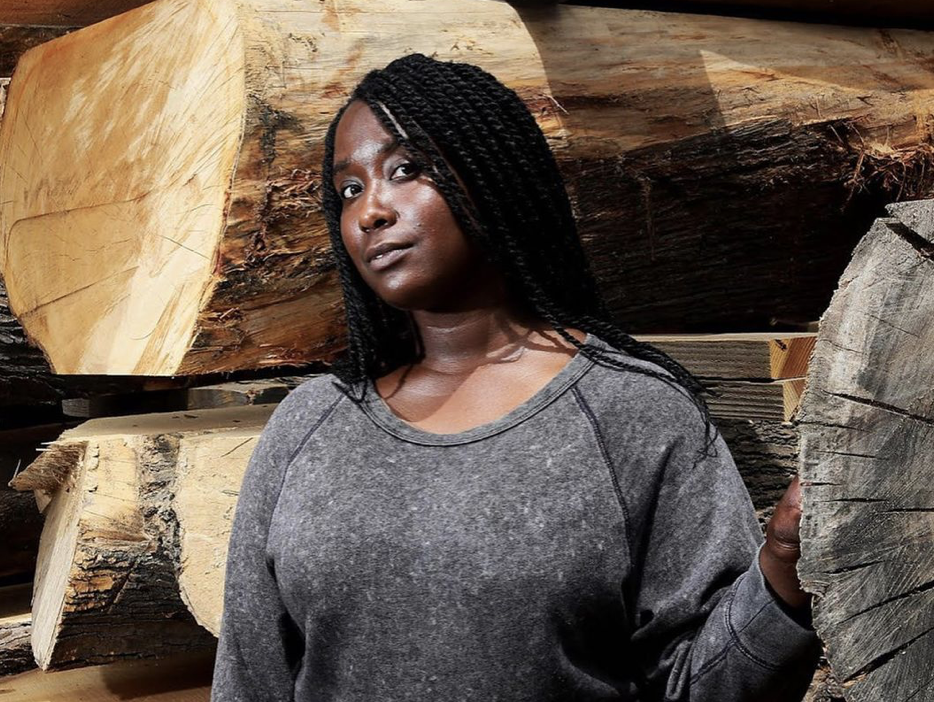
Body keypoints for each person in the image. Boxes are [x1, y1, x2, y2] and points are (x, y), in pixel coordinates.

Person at [210, 53, 821, 701]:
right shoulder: (310, 423)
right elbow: (250, 677)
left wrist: (781, 573)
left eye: (405, 169)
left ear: (492, 175)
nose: (371, 211)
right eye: (349, 190)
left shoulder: (631, 410)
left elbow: (700, 686)